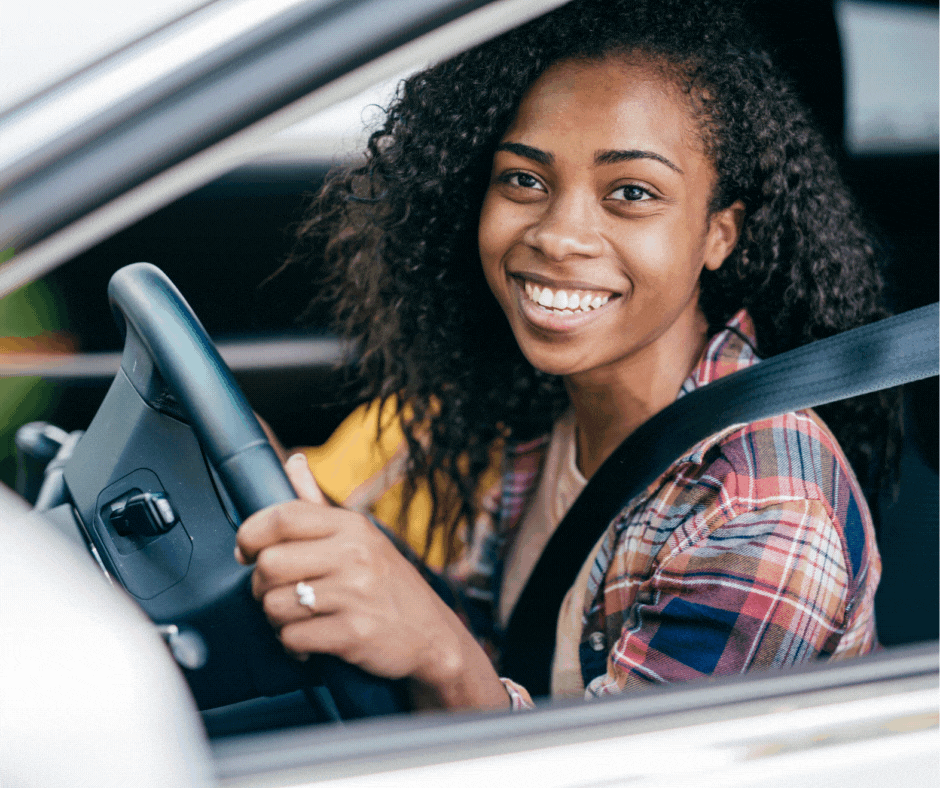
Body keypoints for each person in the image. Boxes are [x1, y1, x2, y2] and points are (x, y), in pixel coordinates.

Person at [236, 0, 895, 711]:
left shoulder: (762, 511)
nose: (559, 235)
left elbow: (611, 771)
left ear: (719, 234)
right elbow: (498, 636)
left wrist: (440, 655)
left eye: (632, 193)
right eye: (524, 179)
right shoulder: (535, 402)